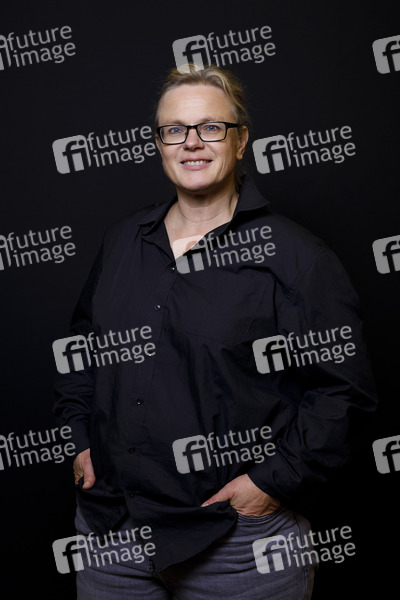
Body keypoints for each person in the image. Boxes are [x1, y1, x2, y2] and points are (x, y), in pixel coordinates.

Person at [54, 64, 377, 599]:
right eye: (174, 129)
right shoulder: (122, 241)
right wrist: (80, 437)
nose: (191, 143)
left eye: (210, 127)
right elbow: (82, 347)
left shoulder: (298, 258)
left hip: (237, 546)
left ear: (241, 139)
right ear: (159, 143)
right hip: (112, 532)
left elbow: (343, 392)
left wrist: (270, 483)